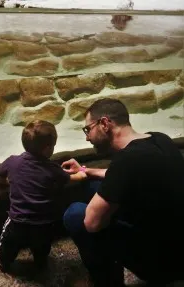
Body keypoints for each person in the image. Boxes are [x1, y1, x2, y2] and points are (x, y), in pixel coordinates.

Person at [62, 98, 184, 287]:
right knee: (92, 186)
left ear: (104, 124)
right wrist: (85, 171)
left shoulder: (126, 160)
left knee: (75, 214)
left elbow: (92, 223)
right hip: (177, 244)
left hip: (162, 263)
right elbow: (119, 177)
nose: (87, 137)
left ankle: (108, 282)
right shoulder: (160, 139)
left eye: (88, 129)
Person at [0, 120, 86, 273]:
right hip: (43, 223)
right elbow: (74, 179)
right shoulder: (52, 169)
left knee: (8, 243)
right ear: (47, 149)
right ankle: (40, 262)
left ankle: (3, 262)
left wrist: (7, 183)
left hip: (17, 221)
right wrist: (83, 172)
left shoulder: (12, 162)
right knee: (42, 246)